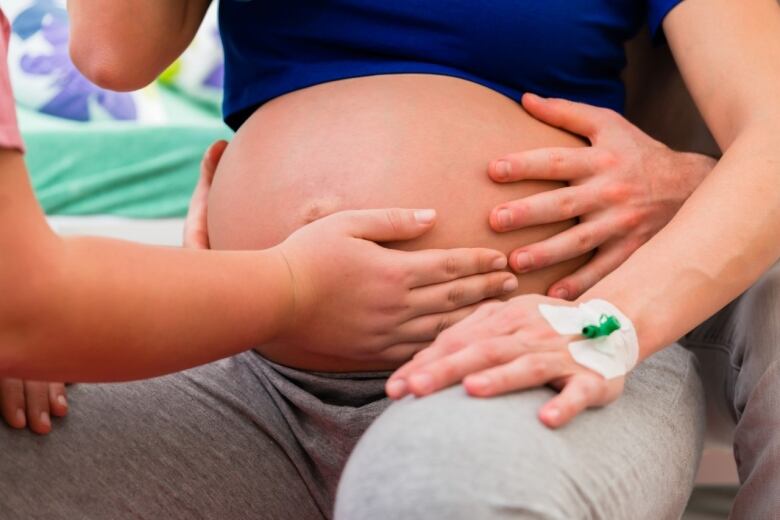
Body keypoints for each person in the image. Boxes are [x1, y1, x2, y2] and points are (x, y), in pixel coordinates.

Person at [2, 0, 777, 519]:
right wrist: (43, 313)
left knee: (447, 493)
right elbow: (108, 54)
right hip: (251, 371)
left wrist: (604, 329)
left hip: (524, 352)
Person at [0, 6, 513, 434]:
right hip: (246, 365)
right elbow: (108, 56)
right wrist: (296, 286)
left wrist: (594, 320)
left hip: (500, 353)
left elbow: (25, 309)